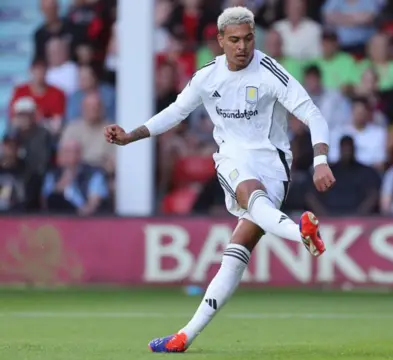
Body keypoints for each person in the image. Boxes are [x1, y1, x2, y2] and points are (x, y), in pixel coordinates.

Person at [103, 7, 334, 352]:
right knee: (235, 253)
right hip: (233, 157)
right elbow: (175, 113)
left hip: (272, 164)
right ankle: (185, 336)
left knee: (245, 219)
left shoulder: (270, 72)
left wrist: (320, 160)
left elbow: (312, 113)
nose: (243, 46)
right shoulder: (207, 77)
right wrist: (131, 136)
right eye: (235, 40)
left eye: (249, 38)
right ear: (221, 41)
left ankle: (297, 231)